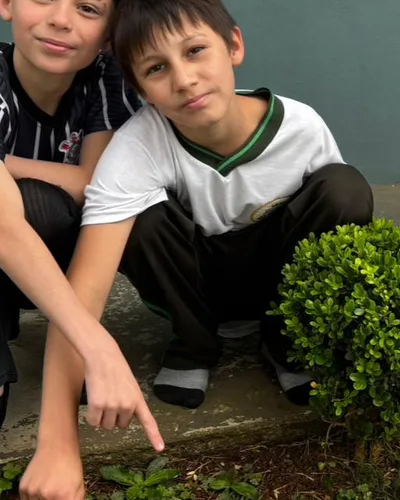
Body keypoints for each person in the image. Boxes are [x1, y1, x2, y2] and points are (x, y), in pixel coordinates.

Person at [20, 0, 375, 493]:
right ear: (137, 87)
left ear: (233, 45)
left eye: (195, 51)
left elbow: (332, 238)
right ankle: (194, 344)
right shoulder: (139, 145)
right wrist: (56, 444)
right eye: (156, 68)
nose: (184, 79)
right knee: (136, 220)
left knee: (344, 187)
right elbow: (81, 297)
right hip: (194, 286)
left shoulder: (301, 126)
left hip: (276, 280)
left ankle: (285, 341)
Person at [0, 0, 145, 432]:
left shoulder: (104, 80)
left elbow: (95, 184)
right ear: (7, 4)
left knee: (40, 204)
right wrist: (96, 344)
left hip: (57, 247)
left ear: (109, 34)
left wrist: (5, 163)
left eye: (87, 8)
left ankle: (60, 337)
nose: (60, 19)